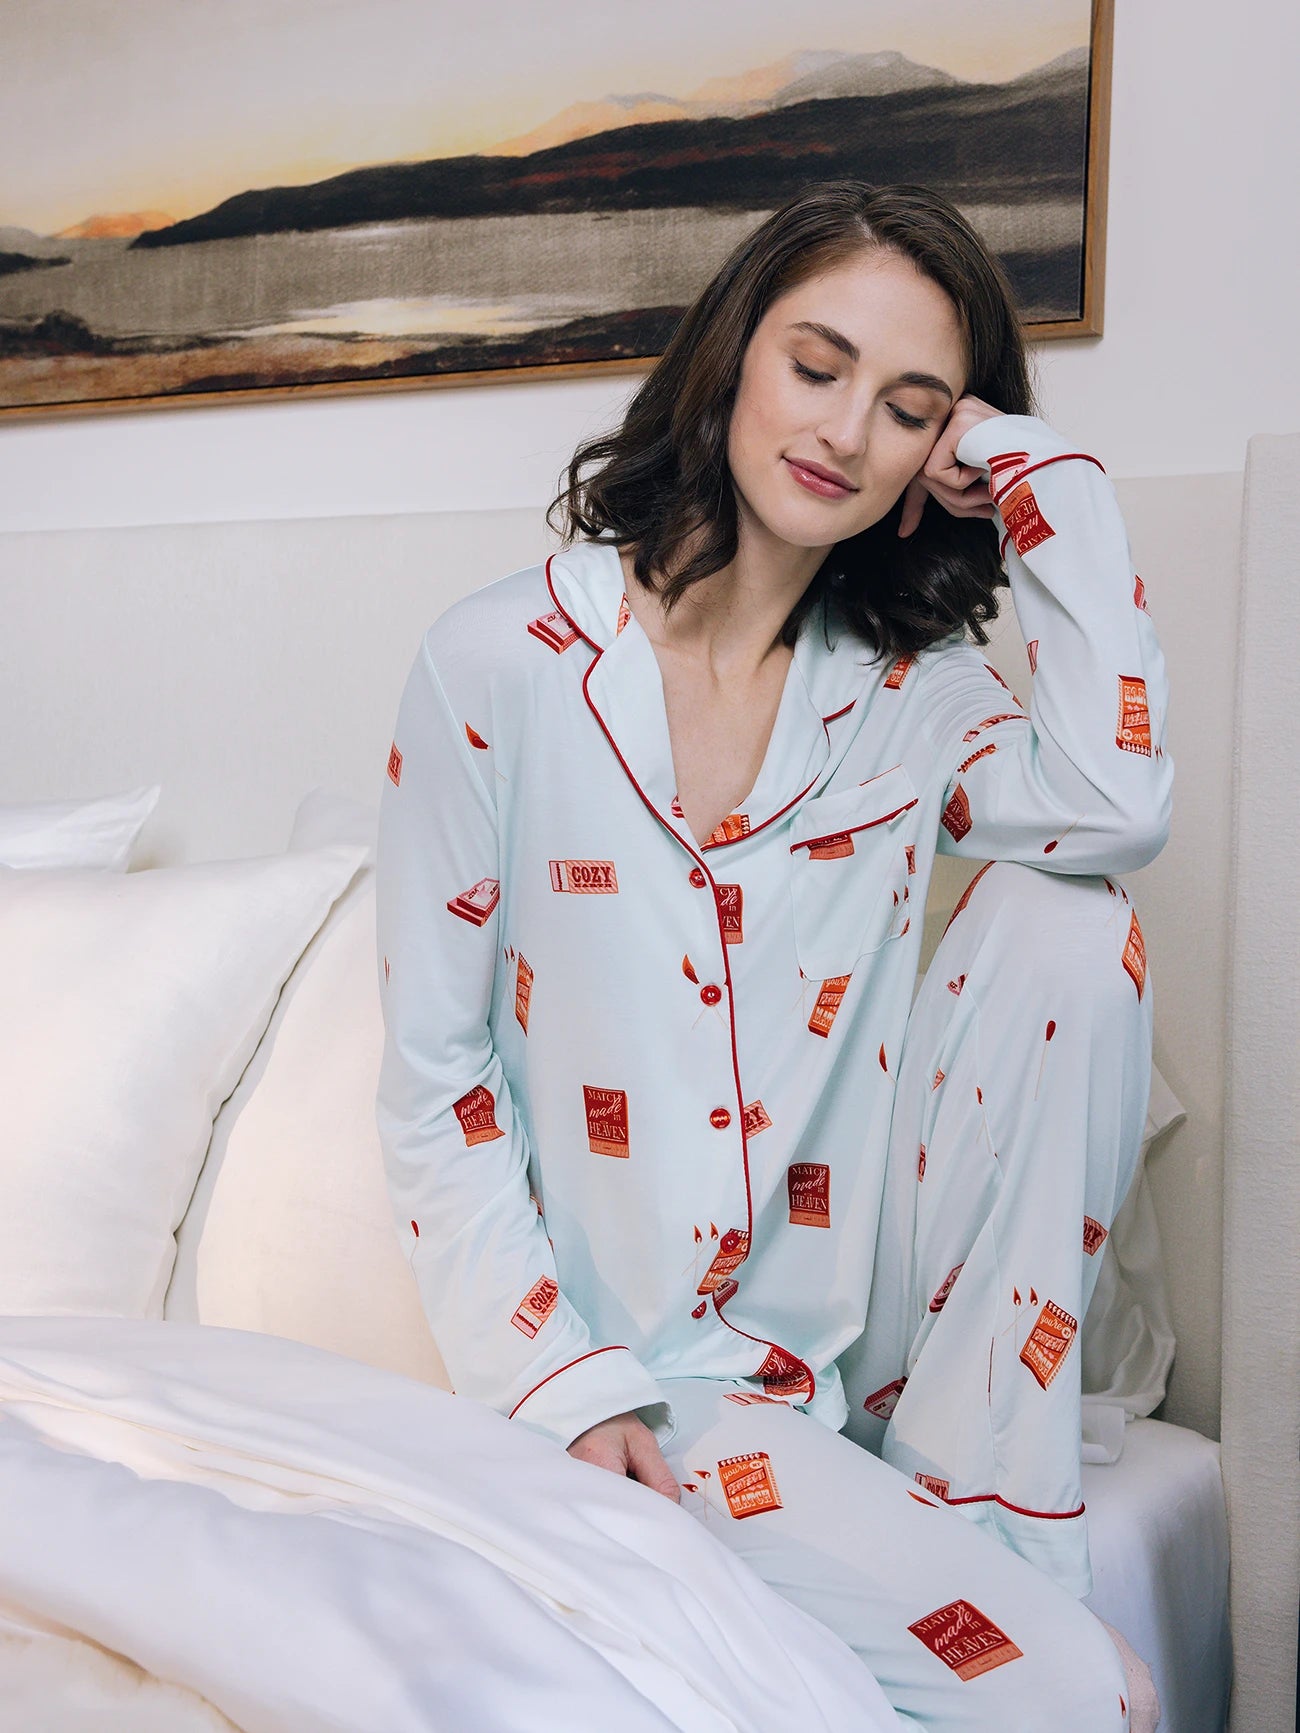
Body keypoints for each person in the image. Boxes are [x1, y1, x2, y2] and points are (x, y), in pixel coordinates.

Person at [374, 180, 1171, 1730]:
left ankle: (980, 1485)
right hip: (656, 1366)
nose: (847, 431)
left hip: (856, 1323)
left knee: (1071, 919)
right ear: (735, 353)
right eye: (818, 366)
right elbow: (434, 1086)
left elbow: (1113, 805)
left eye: (910, 407)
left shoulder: (909, 694)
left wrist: (1044, 473)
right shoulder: (498, 665)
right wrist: (562, 1381)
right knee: (1088, 1698)